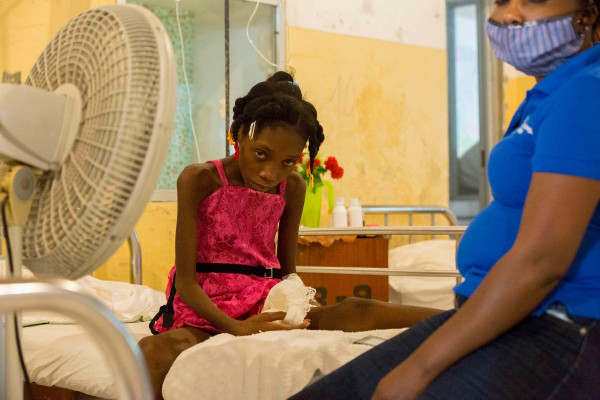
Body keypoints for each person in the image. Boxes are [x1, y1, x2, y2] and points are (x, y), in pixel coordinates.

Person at [289, 1, 600, 399]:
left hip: (556, 324)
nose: (510, 14)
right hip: (506, 314)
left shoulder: (586, 91)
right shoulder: (549, 93)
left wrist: (419, 369)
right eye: (502, 1)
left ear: (589, 12)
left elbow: (542, 260)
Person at [139, 71, 440, 400]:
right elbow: (186, 282)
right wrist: (237, 327)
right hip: (206, 305)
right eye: (261, 154)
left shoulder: (292, 187)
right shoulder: (200, 179)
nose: (270, 173)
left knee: (354, 309)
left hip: (264, 299)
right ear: (238, 134)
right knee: (151, 352)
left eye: (288, 162)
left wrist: (298, 303)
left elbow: (287, 271)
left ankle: (455, 321)